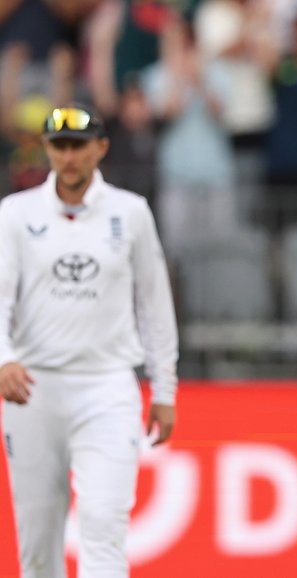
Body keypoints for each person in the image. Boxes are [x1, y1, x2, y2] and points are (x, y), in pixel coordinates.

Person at [0, 105, 178, 578]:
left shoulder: (130, 212)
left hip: (107, 387)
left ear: (100, 147)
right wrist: (3, 359)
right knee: (37, 545)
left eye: (78, 145)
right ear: (46, 149)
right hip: (33, 389)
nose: (69, 157)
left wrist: (164, 391)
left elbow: (154, 305)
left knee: (104, 523)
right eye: (59, 146)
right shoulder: (16, 213)